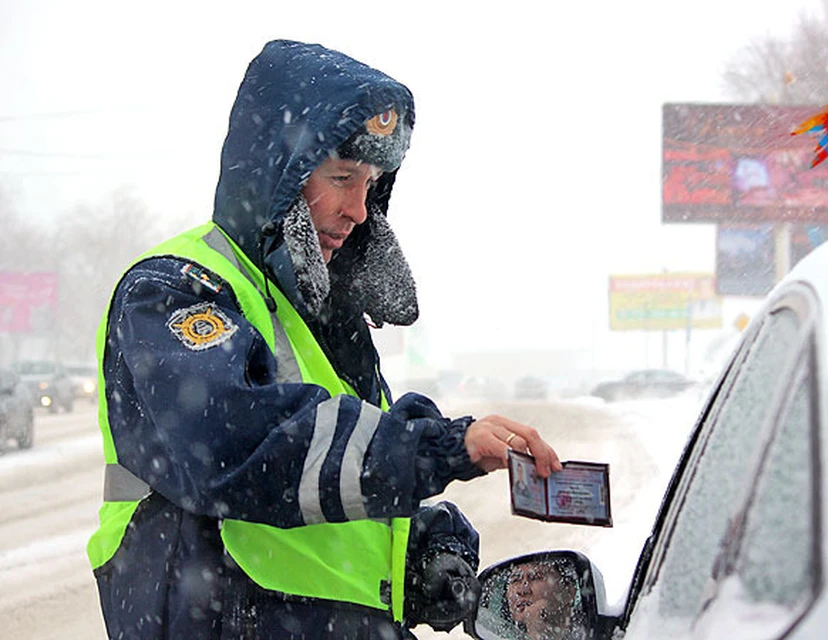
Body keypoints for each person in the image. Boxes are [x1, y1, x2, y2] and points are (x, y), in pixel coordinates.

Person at [86, 39, 562, 640]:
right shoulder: (177, 290)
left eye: (371, 183)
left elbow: (336, 492)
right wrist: (436, 449)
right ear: (277, 175)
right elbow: (242, 448)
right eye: (342, 178)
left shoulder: (323, 317)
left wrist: (421, 556)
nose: (360, 210)